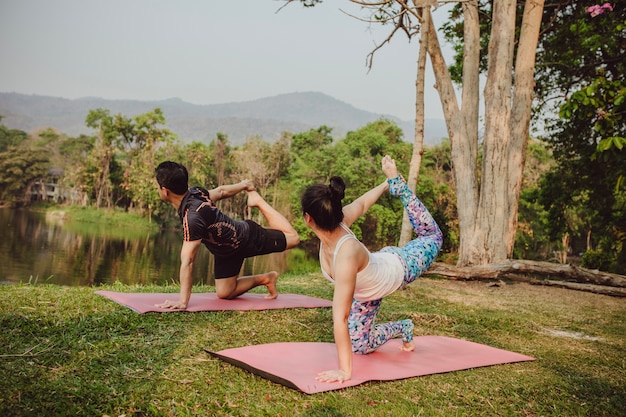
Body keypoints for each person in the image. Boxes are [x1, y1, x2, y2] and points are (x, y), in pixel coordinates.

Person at [300, 155, 443, 383]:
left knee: (433, 236)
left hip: (401, 266)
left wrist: (344, 371)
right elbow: (363, 203)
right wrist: (385, 183)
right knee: (360, 346)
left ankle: (401, 187)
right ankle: (403, 327)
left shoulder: (344, 252)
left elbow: (341, 317)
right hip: (369, 288)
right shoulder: (336, 222)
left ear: (308, 219)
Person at [154, 161, 300, 309]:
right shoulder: (195, 192)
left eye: (157, 186)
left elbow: (188, 261)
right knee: (225, 292)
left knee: (294, 239)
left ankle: (258, 201)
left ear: (165, 191)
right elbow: (221, 192)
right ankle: (267, 278)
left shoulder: (192, 217)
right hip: (225, 253)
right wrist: (243, 185)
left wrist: (183, 302)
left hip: (248, 237)